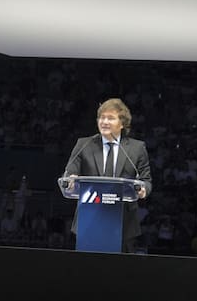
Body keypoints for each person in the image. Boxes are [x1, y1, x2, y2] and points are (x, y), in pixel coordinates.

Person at [63, 98, 152, 252]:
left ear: (122, 123)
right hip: (88, 220)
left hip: (124, 223)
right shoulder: (83, 144)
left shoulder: (137, 148)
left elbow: (146, 180)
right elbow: (70, 173)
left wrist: (143, 189)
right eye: (101, 117)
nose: (104, 122)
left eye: (110, 118)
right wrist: (70, 179)